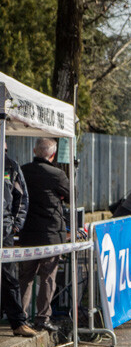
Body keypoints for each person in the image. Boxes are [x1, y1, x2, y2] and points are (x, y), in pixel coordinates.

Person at [18, 138, 70, 334]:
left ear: (34, 151)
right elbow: (72, 196)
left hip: (27, 232)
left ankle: (20, 318)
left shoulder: (22, 170)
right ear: (53, 155)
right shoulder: (57, 174)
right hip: (51, 234)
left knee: (26, 277)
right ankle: (42, 318)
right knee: (48, 277)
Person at [2, 147, 35, 338]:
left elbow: (22, 198)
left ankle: (18, 323)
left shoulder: (10, 166)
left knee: (8, 276)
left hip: (4, 229)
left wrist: (15, 225)